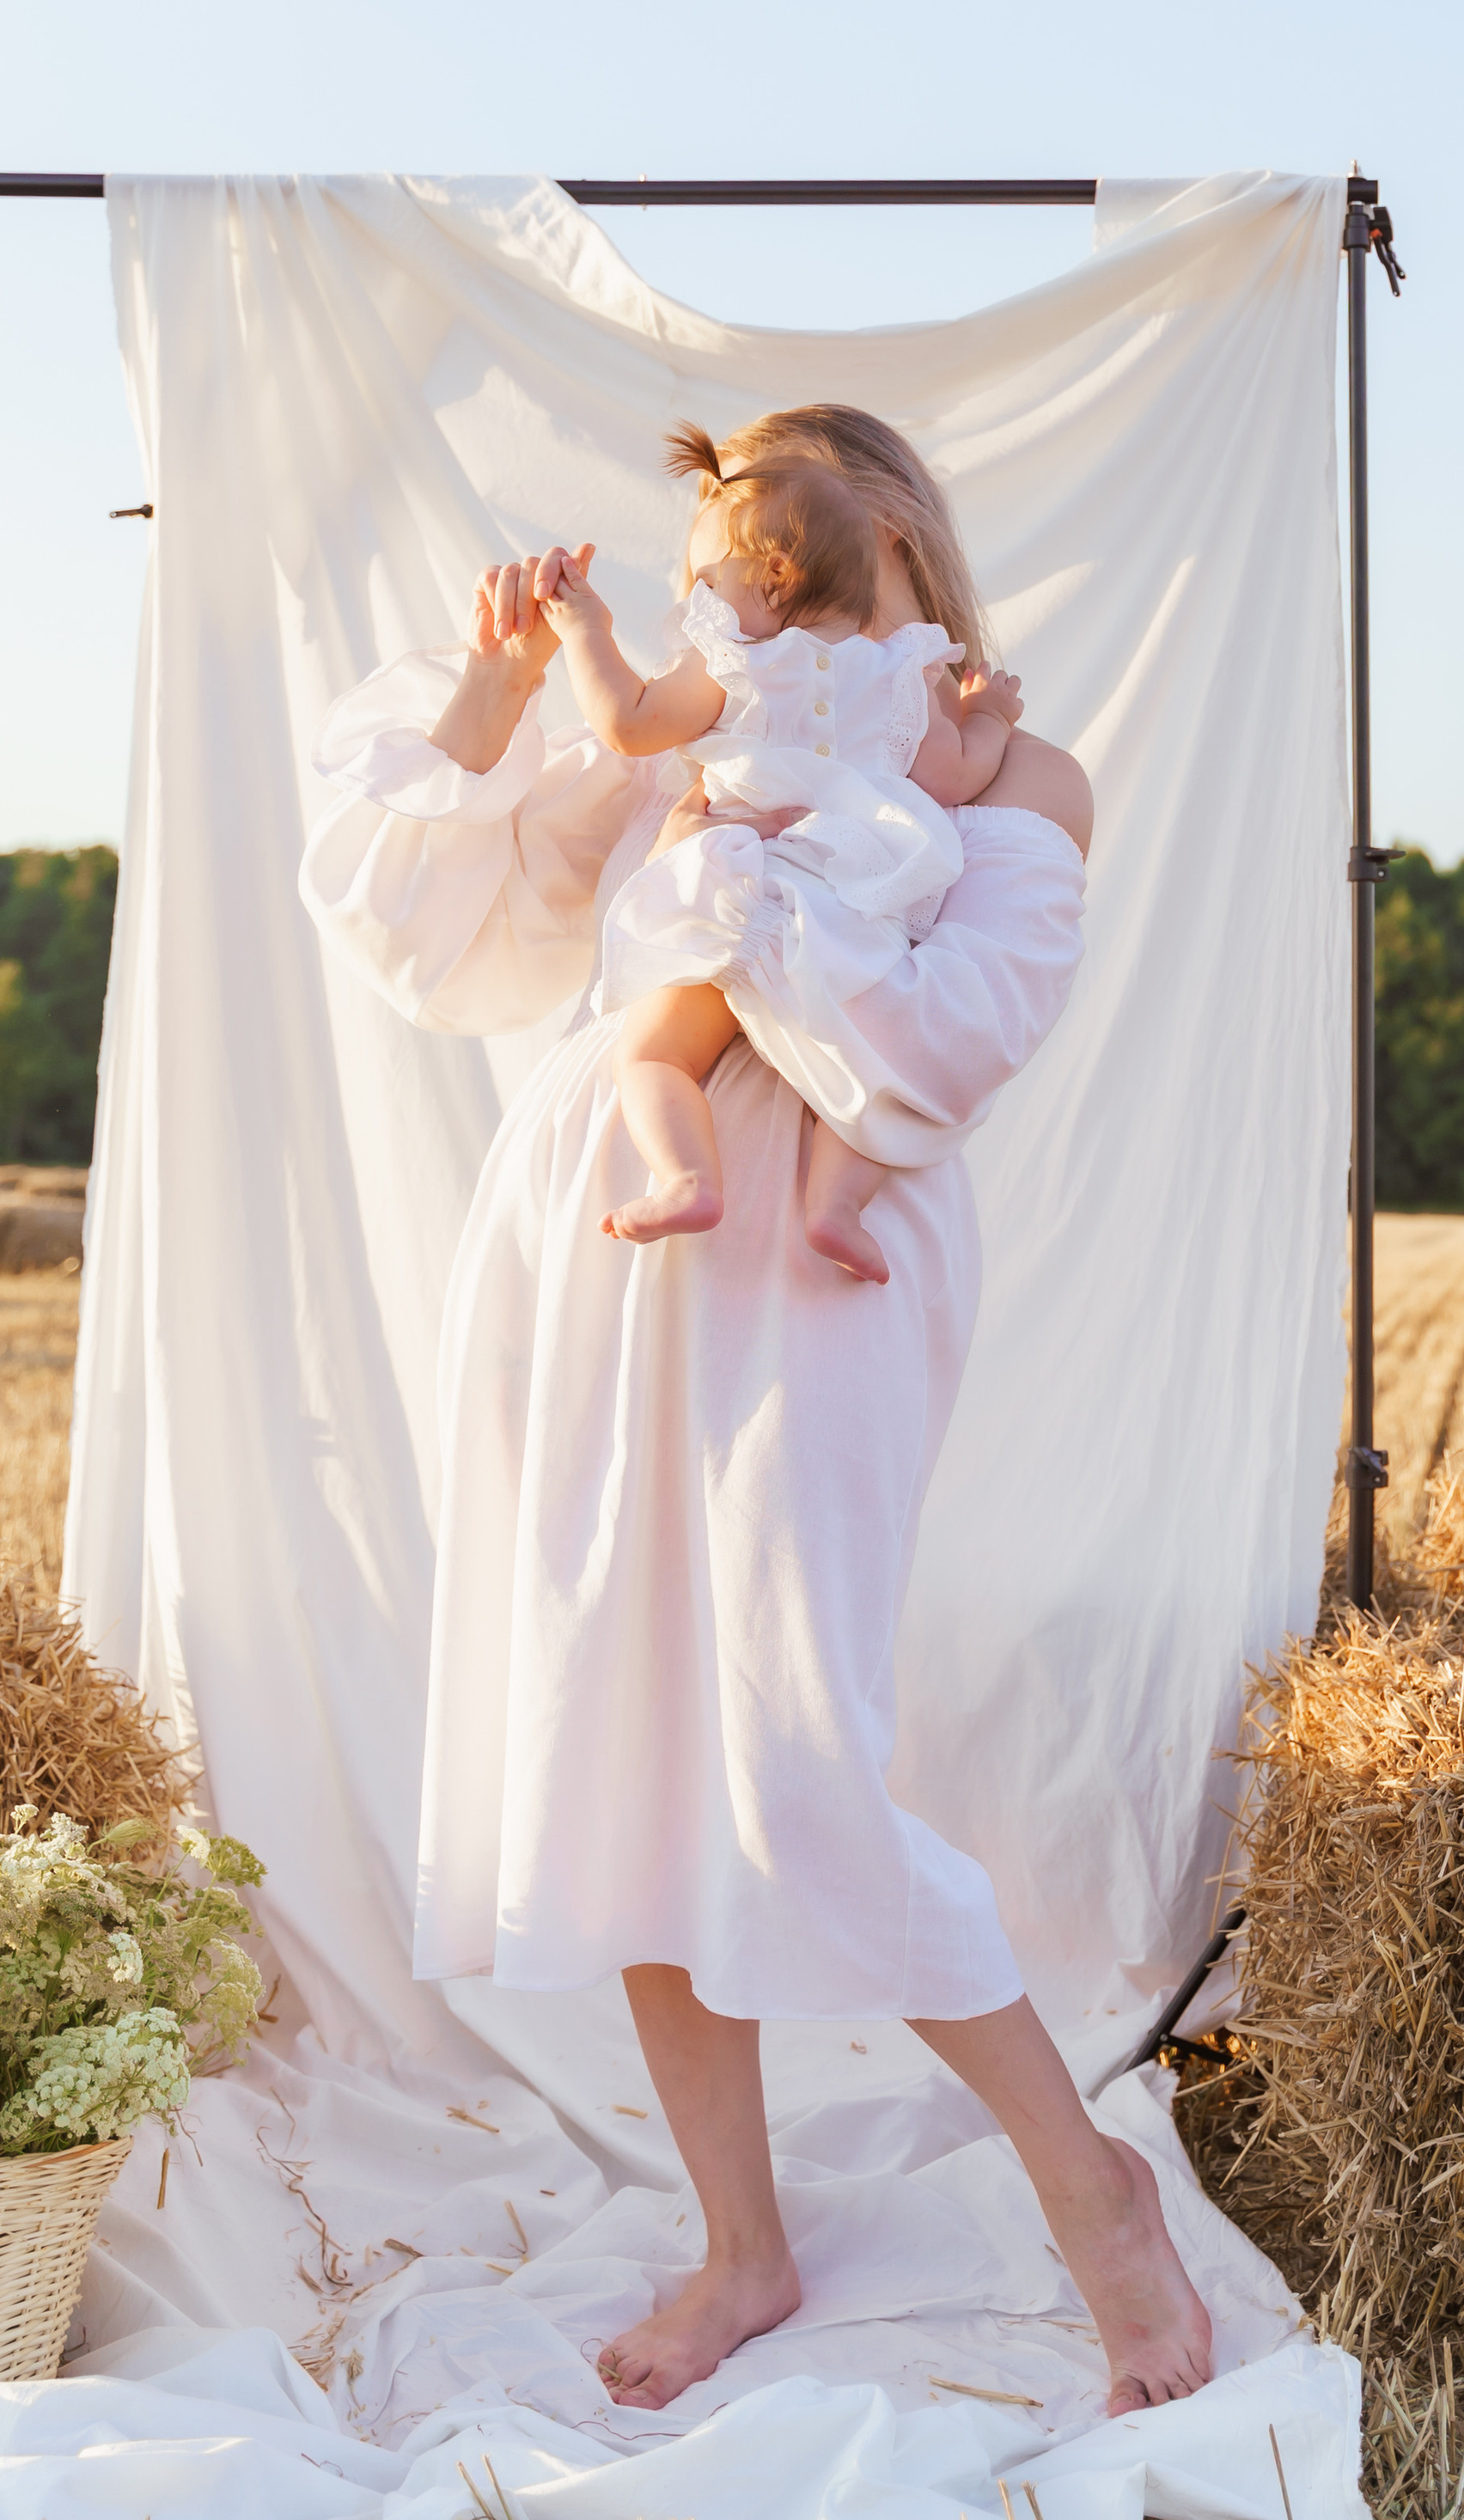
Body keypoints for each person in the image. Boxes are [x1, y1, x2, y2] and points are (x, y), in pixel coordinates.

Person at [300, 402, 1211, 2418]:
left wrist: (741, 887)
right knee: (619, 1737)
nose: (739, 566)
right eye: (722, 544)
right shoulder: (701, 719)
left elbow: (962, 1027)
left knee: (794, 1745)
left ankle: (1087, 2188)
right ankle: (741, 2240)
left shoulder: (999, 761)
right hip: (604, 1223)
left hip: (823, 1236)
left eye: (767, 532)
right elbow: (424, 904)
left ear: (880, 516)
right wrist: (501, 681)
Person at [539, 425, 1023, 1277]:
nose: (695, 600)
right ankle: (836, 1206)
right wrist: (987, 717)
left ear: (770, 580)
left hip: (739, 896)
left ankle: (686, 1175)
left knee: (651, 1053)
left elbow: (627, 720)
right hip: (853, 908)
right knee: (877, 1061)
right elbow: (954, 779)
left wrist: (584, 626)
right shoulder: (904, 675)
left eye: (705, 581)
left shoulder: (733, 666)